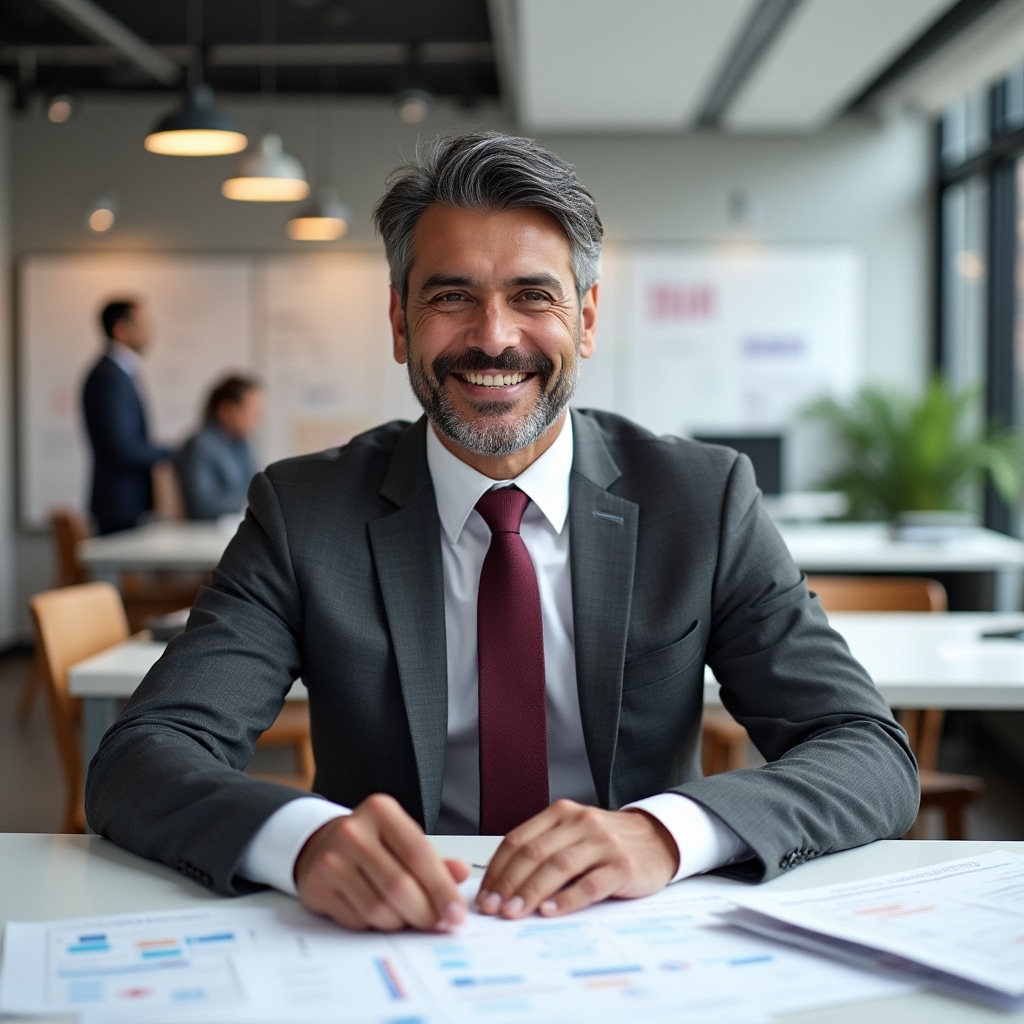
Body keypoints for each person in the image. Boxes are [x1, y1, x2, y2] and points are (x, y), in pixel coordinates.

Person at [86, 132, 917, 934]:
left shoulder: (700, 500)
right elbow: (145, 753)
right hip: (388, 934)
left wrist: (664, 834)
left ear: (586, 319)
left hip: (637, 936)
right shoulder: (306, 512)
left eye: (533, 295)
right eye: (451, 296)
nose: (493, 336)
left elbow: (865, 751)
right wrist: (303, 842)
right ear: (401, 322)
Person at [81, 299, 173, 534]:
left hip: (125, 503)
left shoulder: (120, 373)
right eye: (143, 324)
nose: (150, 332)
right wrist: (170, 452)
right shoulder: (109, 377)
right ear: (121, 329)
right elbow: (121, 447)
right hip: (118, 505)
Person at [176, 375, 263, 520]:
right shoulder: (199, 445)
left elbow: (256, 486)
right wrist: (253, 501)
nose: (258, 421)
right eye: (253, 413)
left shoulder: (242, 444)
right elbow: (202, 506)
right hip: (208, 532)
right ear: (227, 411)